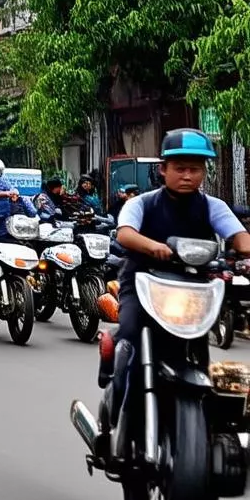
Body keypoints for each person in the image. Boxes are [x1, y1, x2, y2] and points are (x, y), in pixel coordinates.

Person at [98, 129, 250, 426]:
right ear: (163, 169)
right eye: (180, 168)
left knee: (199, 350)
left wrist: (245, 251)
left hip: (194, 289)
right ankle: (115, 405)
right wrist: (153, 246)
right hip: (142, 283)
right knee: (130, 335)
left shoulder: (213, 206)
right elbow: (126, 233)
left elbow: (240, 237)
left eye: (195, 169)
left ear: (203, 173)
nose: (187, 176)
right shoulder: (142, 203)